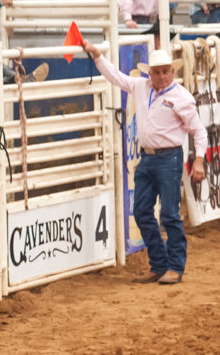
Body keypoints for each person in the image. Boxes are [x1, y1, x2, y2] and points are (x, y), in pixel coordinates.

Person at [84, 44, 206, 284]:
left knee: (169, 214)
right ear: (150, 73)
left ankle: (174, 267)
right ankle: (160, 264)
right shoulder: (141, 87)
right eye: (157, 72)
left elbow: (198, 131)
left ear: (172, 71)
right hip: (148, 157)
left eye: (165, 71)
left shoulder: (182, 98)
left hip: (169, 157)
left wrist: (199, 160)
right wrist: (98, 57)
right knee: (141, 211)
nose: (161, 76)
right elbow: (116, 77)